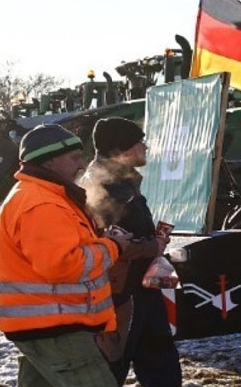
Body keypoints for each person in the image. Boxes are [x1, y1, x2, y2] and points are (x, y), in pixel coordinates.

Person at [0, 124, 126, 387]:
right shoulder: (42, 204)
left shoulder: (40, 197)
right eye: (74, 158)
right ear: (49, 160)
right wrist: (114, 246)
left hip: (45, 329)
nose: (81, 166)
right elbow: (64, 265)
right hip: (58, 332)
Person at [79, 117, 182, 386]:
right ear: (120, 149)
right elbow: (105, 241)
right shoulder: (104, 188)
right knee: (113, 366)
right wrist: (152, 246)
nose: (145, 147)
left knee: (159, 361)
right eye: (139, 142)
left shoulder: (120, 181)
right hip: (121, 295)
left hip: (140, 288)